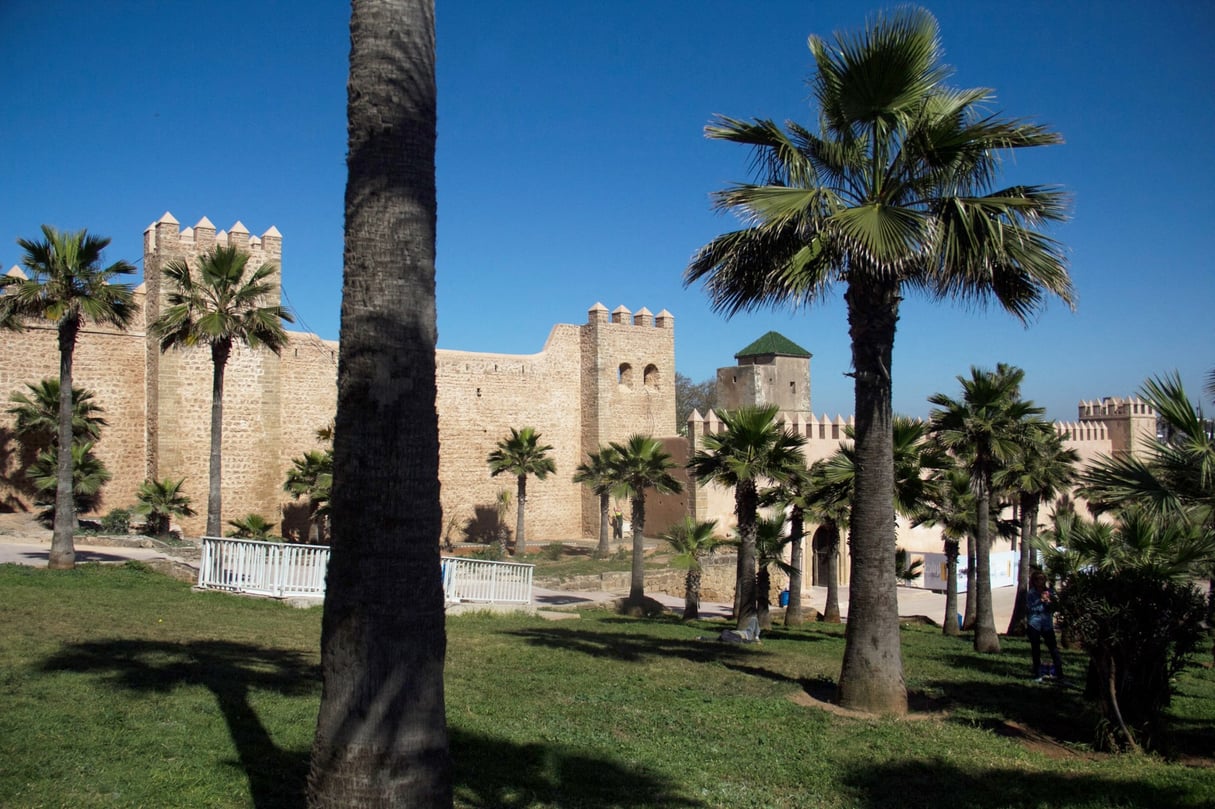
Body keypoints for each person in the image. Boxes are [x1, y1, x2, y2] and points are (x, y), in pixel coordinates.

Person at [1026, 569, 1064, 681]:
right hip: (1034, 623)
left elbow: (1053, 608)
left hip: (1047, 624)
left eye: (1042, 579)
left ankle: (1060, 674)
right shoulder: (1031, 594)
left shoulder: (1050, 592)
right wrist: (1041, 602)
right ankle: (1038, 674)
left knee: (1053, 649)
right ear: (1034, 581)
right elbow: (1031, 608)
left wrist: (1048, 602)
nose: (1040, 582)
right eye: (1038, 579)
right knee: (1036, 649)